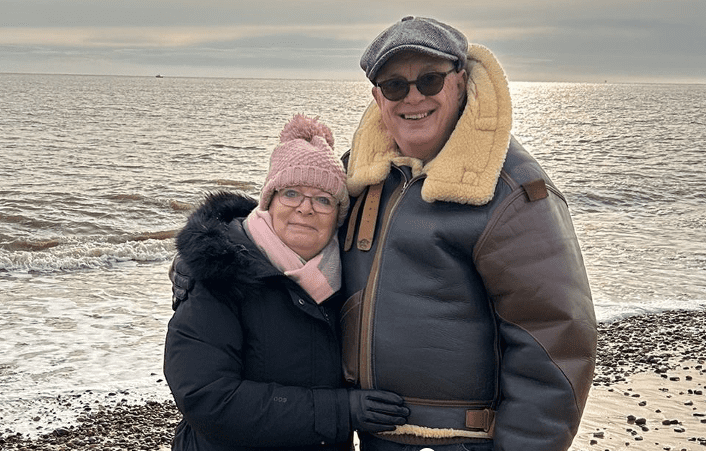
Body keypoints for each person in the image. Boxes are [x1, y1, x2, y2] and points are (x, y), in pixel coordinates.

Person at [172, 16, 597, 451]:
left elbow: (555, 341)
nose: (413, 97)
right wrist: (208, 252)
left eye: (429, 80)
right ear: (378, 96)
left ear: (460, 81)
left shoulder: (510, 189)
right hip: (373, 437)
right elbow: (295, 225)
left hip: (462, 441)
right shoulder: (363, 171)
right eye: (395, 85)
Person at [163, 115, 410, 451]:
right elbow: (208, 399)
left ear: (338, 214)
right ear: (270, 201)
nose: (305, 209)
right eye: (292, 193)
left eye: (323, 199)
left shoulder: (347, 280)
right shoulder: (219, 277)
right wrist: (341, 411)